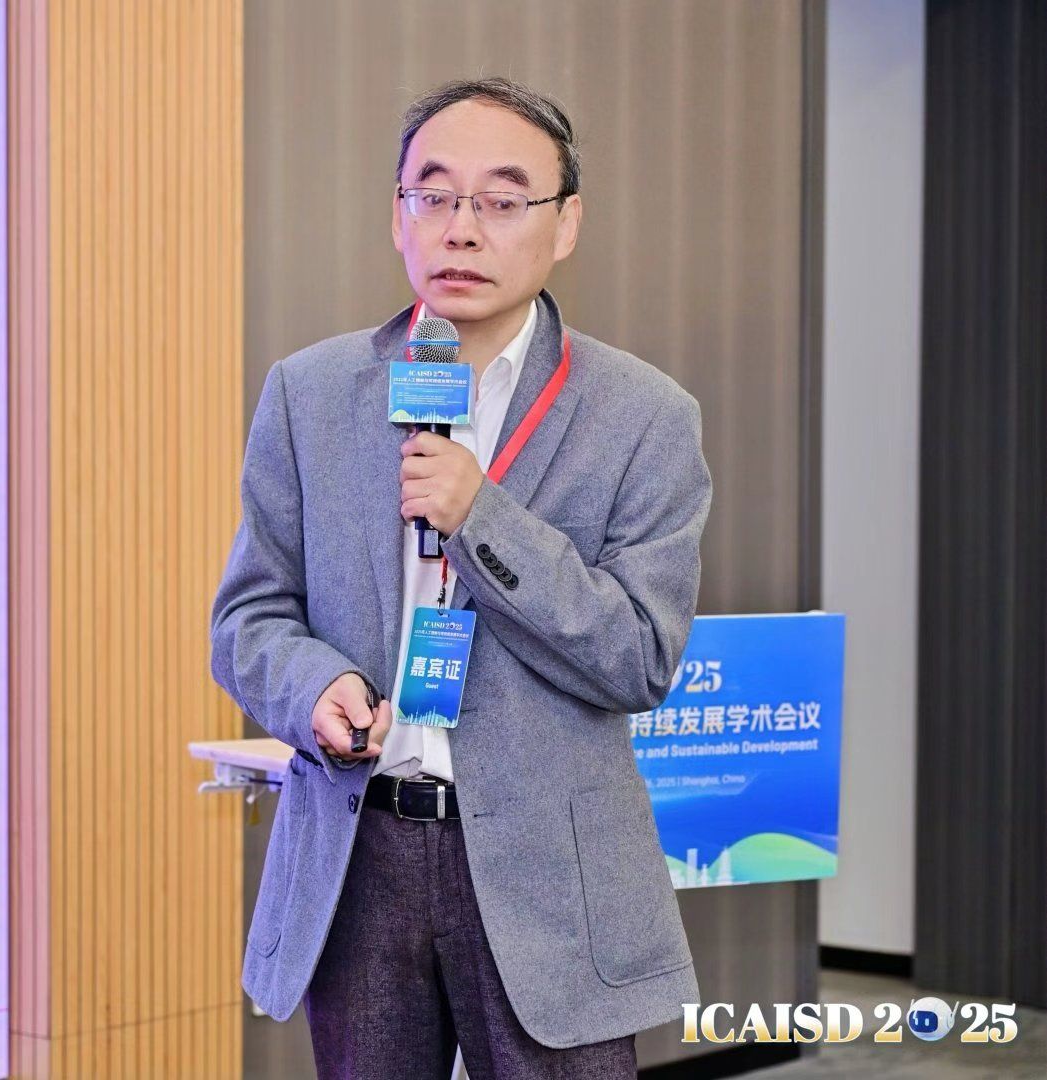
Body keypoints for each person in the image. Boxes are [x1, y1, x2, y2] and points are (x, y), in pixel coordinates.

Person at [210, 78, 711, 1078]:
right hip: (361, 856)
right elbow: (249, 617)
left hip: (550, 880)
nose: (462, 228)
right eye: (433, 195)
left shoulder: (644, 416)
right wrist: (314, 687)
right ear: (398, 215)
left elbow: (640, 656)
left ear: (565, 223)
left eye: (502, 199)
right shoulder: (311, 394)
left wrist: (480, 515)